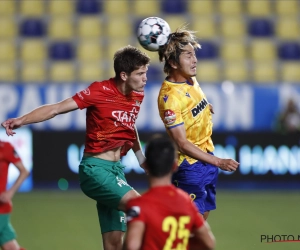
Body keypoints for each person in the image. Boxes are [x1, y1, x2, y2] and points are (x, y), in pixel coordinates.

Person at [1, 45, 151, 250]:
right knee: (142, 208)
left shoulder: (137, 95)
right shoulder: (100, 91)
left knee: (114, 244)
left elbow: (128, 125)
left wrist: (140, 157)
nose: (145, 78)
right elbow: (56, 109)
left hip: (116, 172)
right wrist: (22, 120)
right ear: (124, 75)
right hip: (95, 170)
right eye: (140, 73)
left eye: (146, 73)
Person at [157, 27, 239, 220]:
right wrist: (218, 161)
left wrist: (204, 107)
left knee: (200, 226)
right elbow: (182, 144)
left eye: (194, 54)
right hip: (189, 167)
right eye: (188, 56)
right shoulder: (170, 98)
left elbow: (193, 102)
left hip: (206, 158)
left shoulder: (191, 80)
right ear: (172, 62)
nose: (194, 60)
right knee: (188, 230)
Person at [124, 137, 215, 250]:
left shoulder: (138, 205)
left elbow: (131, 246)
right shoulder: (186, 202)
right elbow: (209, 242)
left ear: (146, 164)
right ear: (174, 166)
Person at [0, 139, 29, 250]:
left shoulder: (4, 147)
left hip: (1, 208)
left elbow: (24, 171)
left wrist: (10, 192)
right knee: (11, 247)